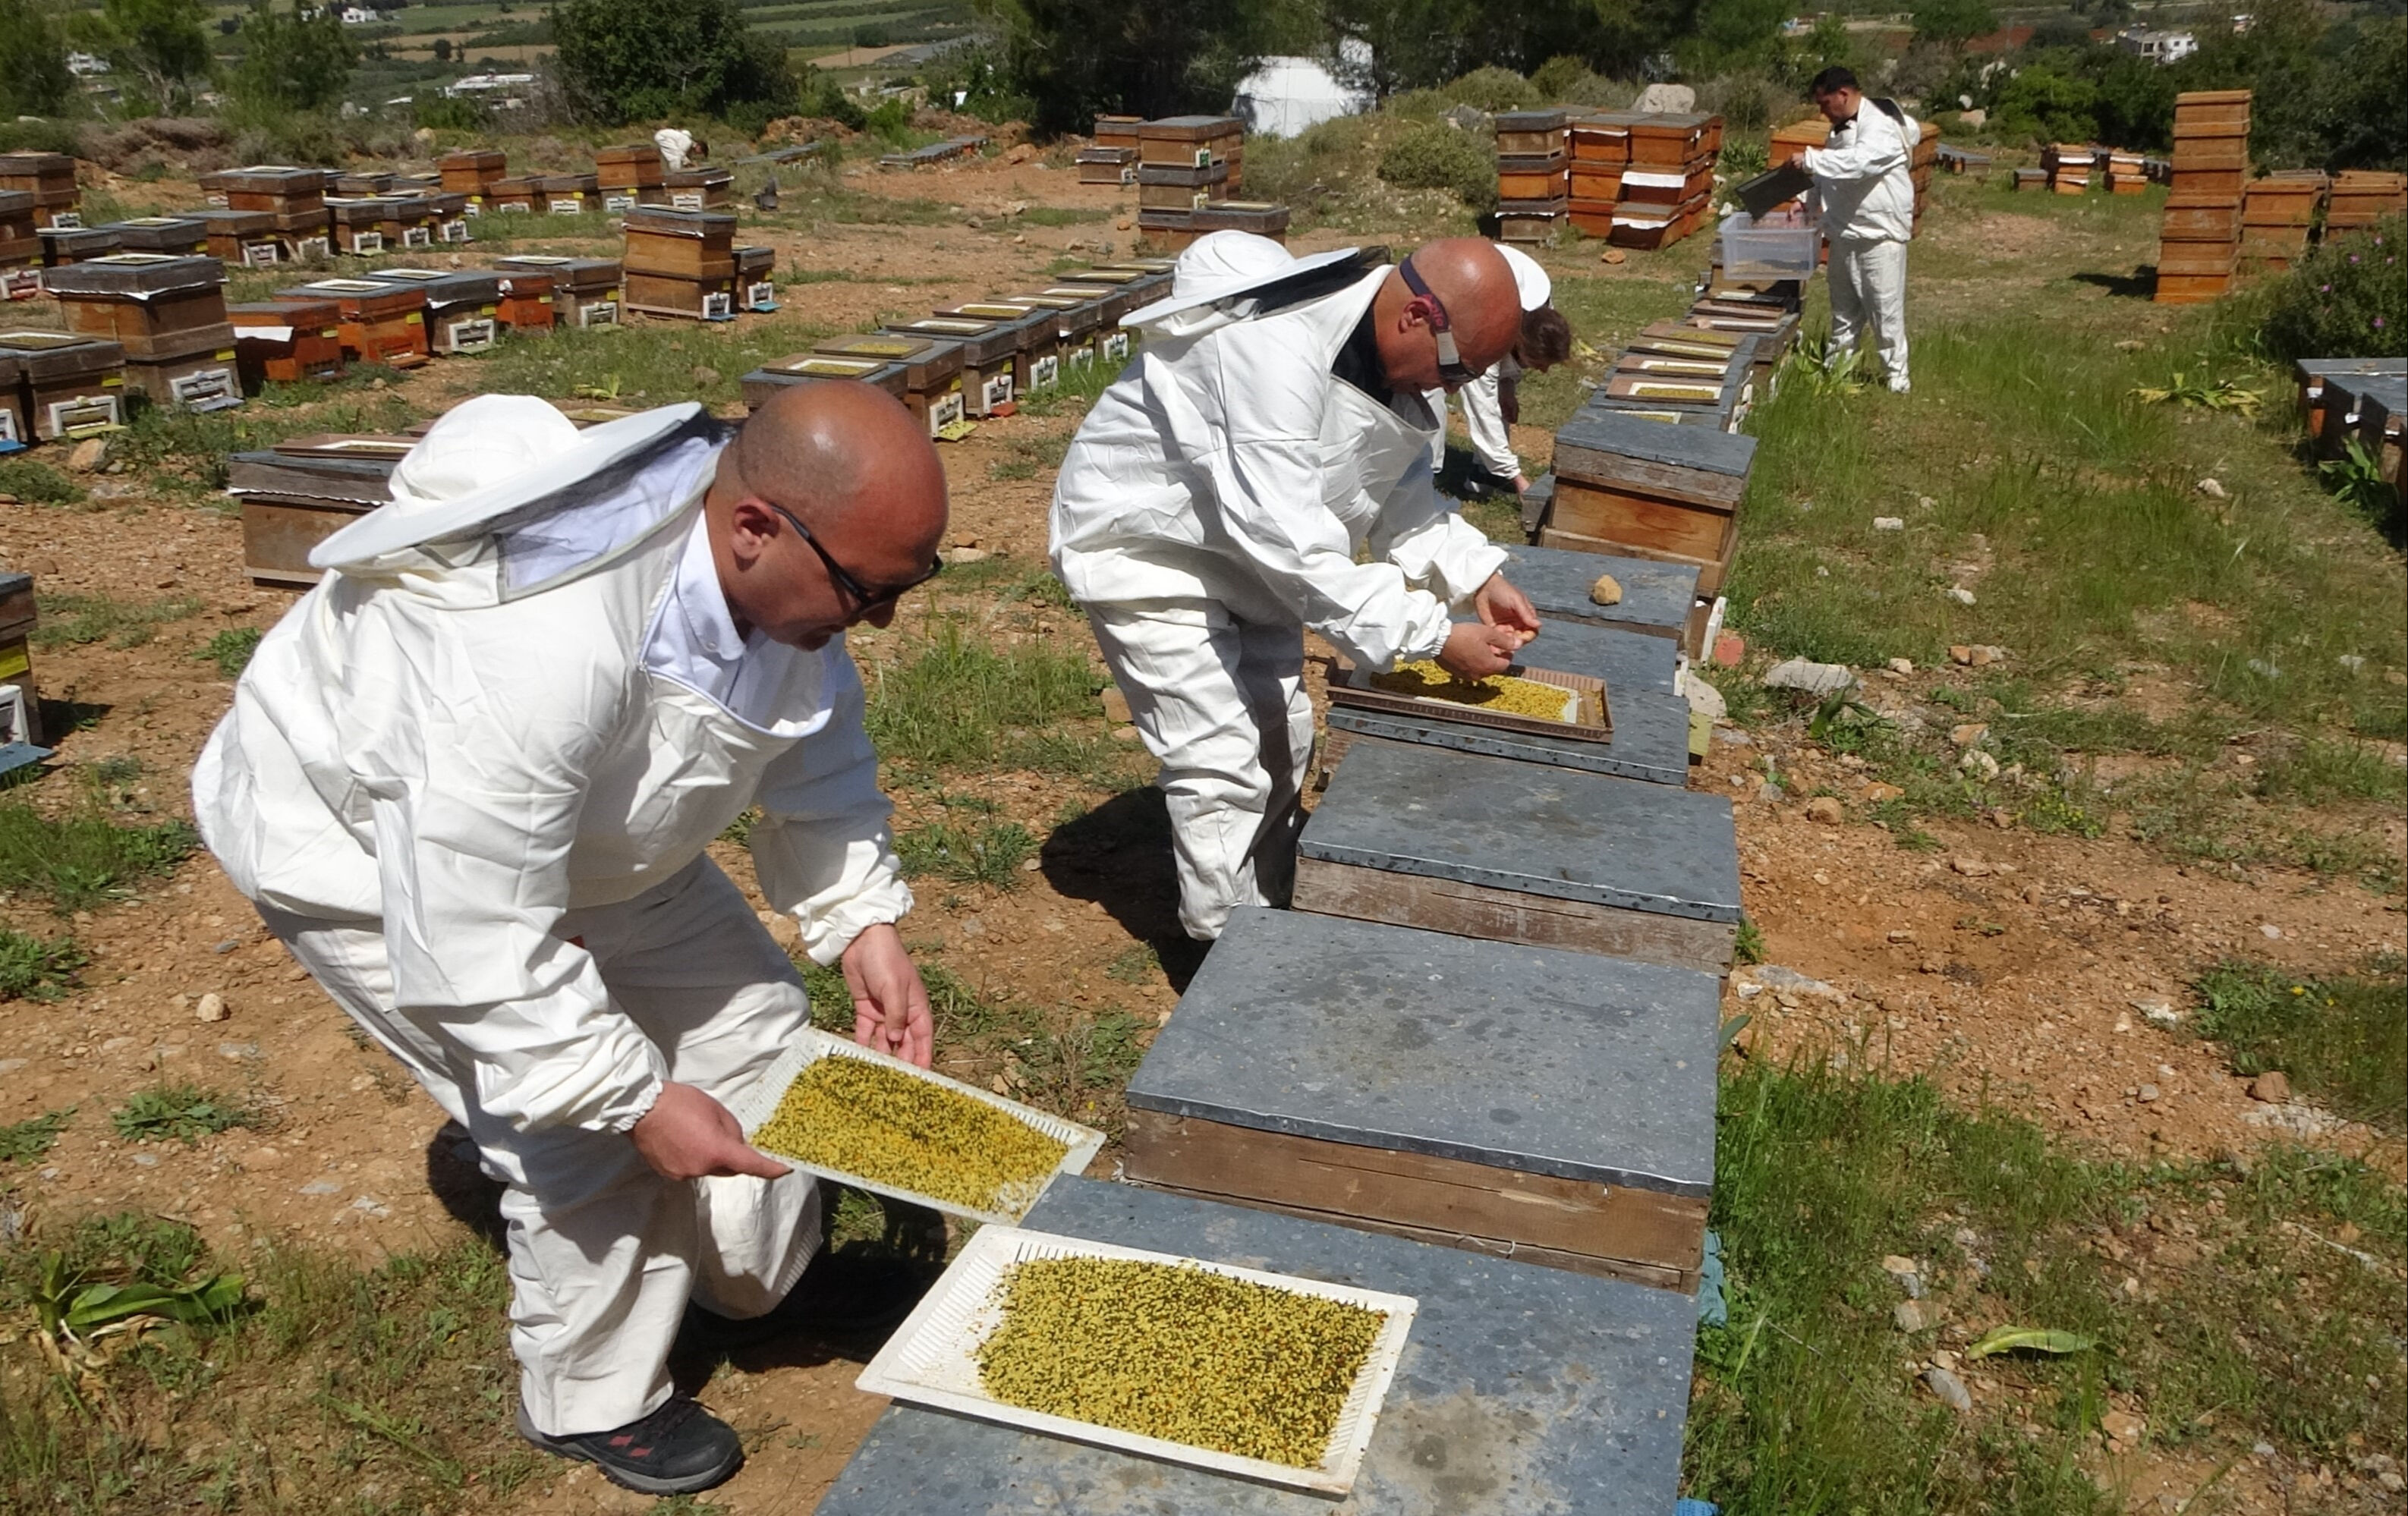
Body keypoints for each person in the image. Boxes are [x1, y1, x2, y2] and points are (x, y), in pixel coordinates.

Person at [190, 383, 949, 1496]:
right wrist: (634, 1096)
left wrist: (862, 921)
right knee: (577, 1129)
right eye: (864, 591)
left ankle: (748, 1281)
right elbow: (481, 938)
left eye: (898, 591)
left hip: (611, 838)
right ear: (753, 529)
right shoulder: (529, 647)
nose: (872, 621)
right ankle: (593, 1397)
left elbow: (814, 749)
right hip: (371, 856)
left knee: (761, 1039)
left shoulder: (784, 578)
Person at [1050, 233, 1541, 942]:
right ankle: (1227, 952)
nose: (1451, 389)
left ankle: (1271, 909)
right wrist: (1434, 637)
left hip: (1252, 562)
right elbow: (1293, 544)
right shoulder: (1267, 350)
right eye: (1455, 370)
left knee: (1283, 738)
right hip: (1148, 551)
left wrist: (1476, 576)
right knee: (1219, 759)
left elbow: (1400, 500)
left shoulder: (1397, 367)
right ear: (1416, 318)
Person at [1802, 64, 1919, 393]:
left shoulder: (1880, 128)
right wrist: (1809, 201)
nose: (1823, 112)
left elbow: (1858, 164)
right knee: (1844, 311)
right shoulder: (1839, 130)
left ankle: (1897, 379)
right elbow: (1830, 173)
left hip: (1880, 238)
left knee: (1885, 311)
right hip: (1844, 234)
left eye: (1825, 104)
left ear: (1843, 94)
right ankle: (1838, 369)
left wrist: (1809, 159)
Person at [1427, 243, 1576, 495]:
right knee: (1431, 389)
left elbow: (1513, 355)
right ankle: (1422, 475)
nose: (1542, 372)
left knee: (1497, 401)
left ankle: (1484, 474)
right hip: (1443, 296)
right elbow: (1482, 407)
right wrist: (1519, 481)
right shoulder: (1485, 332)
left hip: (1483, 286)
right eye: (1539, 364)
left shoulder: (1539, 311)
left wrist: (1507, 388)